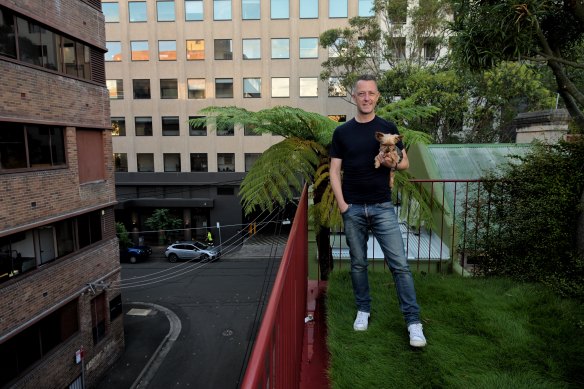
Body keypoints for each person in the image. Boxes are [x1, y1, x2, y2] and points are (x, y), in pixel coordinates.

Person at [329, 74, 426, 347]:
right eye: (361, 93)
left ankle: (413, 323)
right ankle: (363, 309)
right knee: (358, 264)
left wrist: (390, 165)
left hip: (383, 207)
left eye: (371, 93)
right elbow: (334, 171)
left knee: (400, 266)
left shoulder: (388, 129)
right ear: (354, 96)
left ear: (378, 96)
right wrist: (343, 205)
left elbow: (405, 163)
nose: (367, 98)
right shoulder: (341, 132)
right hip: (354, 208)